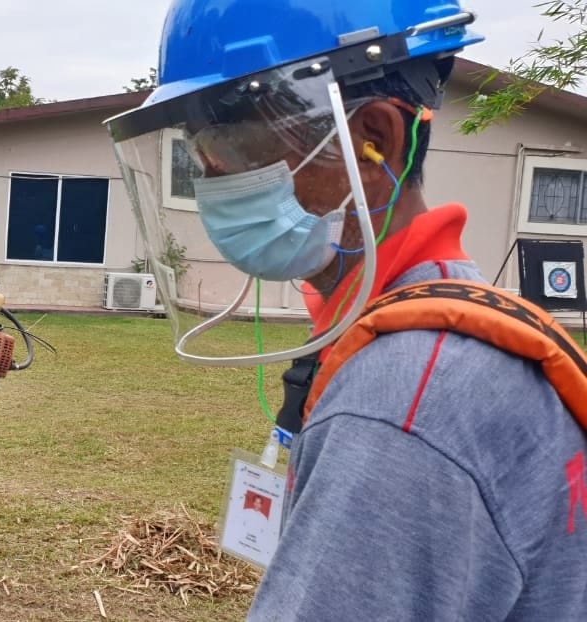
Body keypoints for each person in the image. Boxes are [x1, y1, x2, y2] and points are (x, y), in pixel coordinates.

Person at [106, 1, 587, 619]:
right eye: (204, 163)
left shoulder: (404, 401)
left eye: (235, 155)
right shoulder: (438, 317)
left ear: (373, 140)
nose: (213, 187)